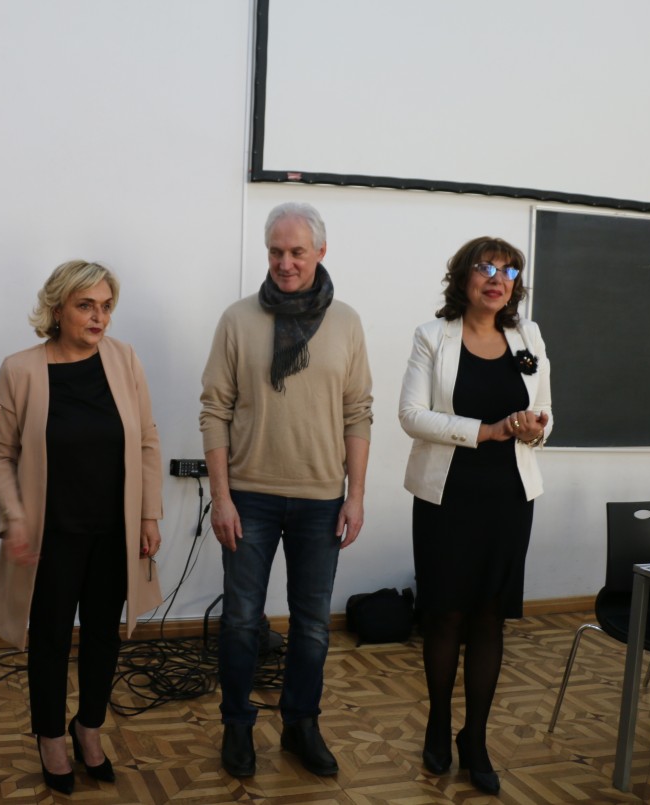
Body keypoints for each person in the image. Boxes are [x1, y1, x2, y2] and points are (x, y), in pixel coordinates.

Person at [200, 202, 373, 778]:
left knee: (313, 624)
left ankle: (301, 725)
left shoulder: (346, 322)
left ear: (320, 251)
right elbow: (214, 410)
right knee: (241, 621)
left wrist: (355, 495)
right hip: (247, 496)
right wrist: (220, 498)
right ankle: (237, 726)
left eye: (297, 252)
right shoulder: (237, 319)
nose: (285, 262)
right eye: (276, 251)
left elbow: (358, 411)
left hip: (322, 499)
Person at [0, 260, 163, 795]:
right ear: (57, 309)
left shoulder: (124, 359)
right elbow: (2, 454)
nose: (98, 317)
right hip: (52, 535)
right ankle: (50, 737)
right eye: (86, 306)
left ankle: (88, 727)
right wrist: (15, 518)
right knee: (51, 639)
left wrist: (149, 514)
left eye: (106, 307)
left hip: (114, 531)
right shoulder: (21, 369)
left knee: (104, 636)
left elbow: (147, 440)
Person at [398, 236, 552, 795]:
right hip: (447, 496)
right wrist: (484, 431)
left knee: (490, 618)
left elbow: (546, 411)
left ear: (515, 285)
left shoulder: (528, 336)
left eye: (508, 271)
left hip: (509, 498)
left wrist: (534, 429)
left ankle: (476, 738)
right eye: (486, 267)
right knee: (444, 616)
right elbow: (411, 415)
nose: (496, 278)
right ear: (464, 277)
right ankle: (438, 724)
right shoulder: (432, 336)